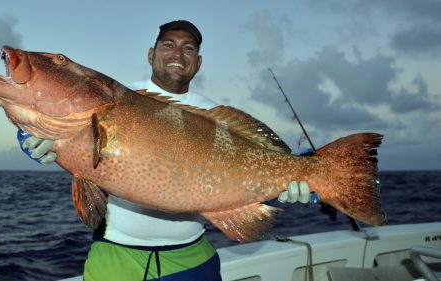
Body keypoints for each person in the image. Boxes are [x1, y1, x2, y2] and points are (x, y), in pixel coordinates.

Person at [18, 20, 313, 281]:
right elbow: (68, 128)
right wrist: (33, 133)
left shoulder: (214, 115)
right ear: (151, 54)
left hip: (193, 259)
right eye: (168, 44)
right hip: (117, 256)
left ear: (197, 62)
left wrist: (300, 178)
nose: (177, 53)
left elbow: (252, 165)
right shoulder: (116, 96)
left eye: (188, 48)